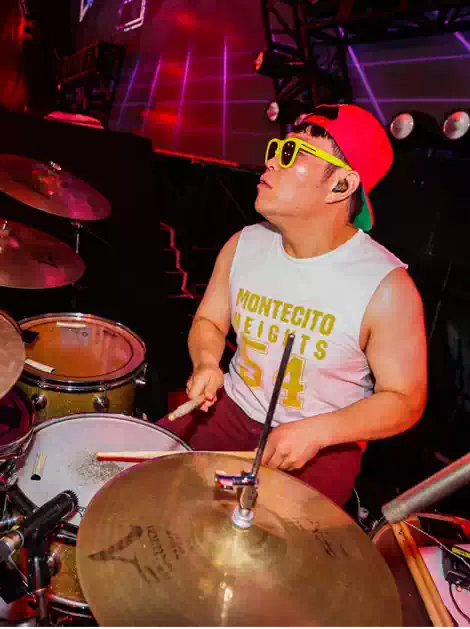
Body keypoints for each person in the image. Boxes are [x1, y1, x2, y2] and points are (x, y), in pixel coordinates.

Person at [158, 104, 427, 507]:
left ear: (340, 185)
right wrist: (207, 363)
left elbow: (405, 399)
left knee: (275, 541)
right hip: (231, 411)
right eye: (276, 149)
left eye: (291, 153)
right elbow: (210, 321)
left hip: (323, 442)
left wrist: (318, 432)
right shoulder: (244, 243)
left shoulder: (387, 287)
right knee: (142, 484)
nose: (270, 162)